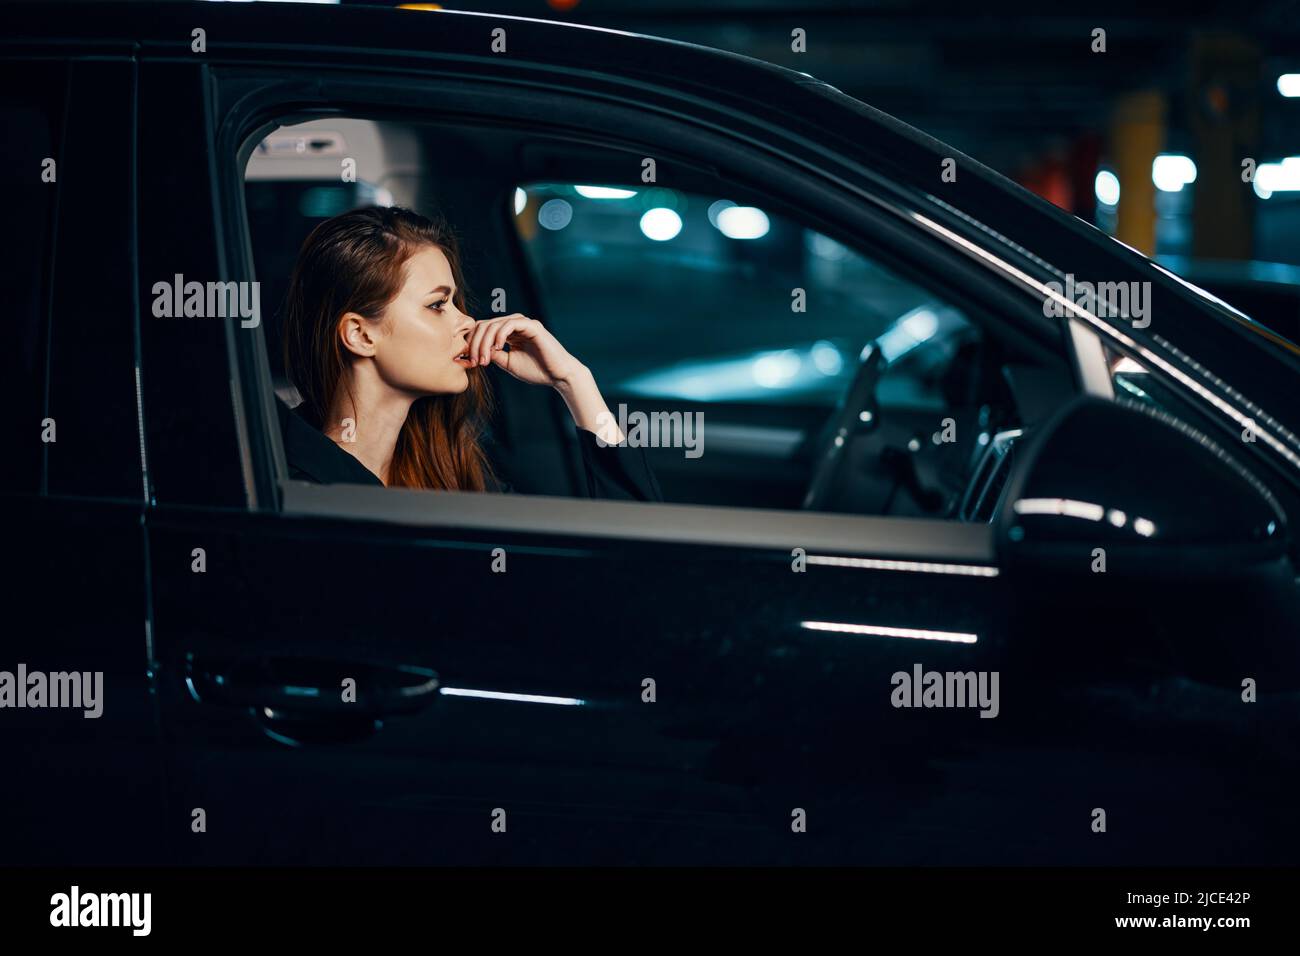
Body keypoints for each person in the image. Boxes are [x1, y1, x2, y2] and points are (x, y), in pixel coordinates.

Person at [278, 205, 660, 501]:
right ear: (360, 335)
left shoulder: (449, 471)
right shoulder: (291, 487)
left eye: (456, 302)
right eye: (438, 305)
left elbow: (633, 559)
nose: (468, 322)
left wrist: (575, 382)